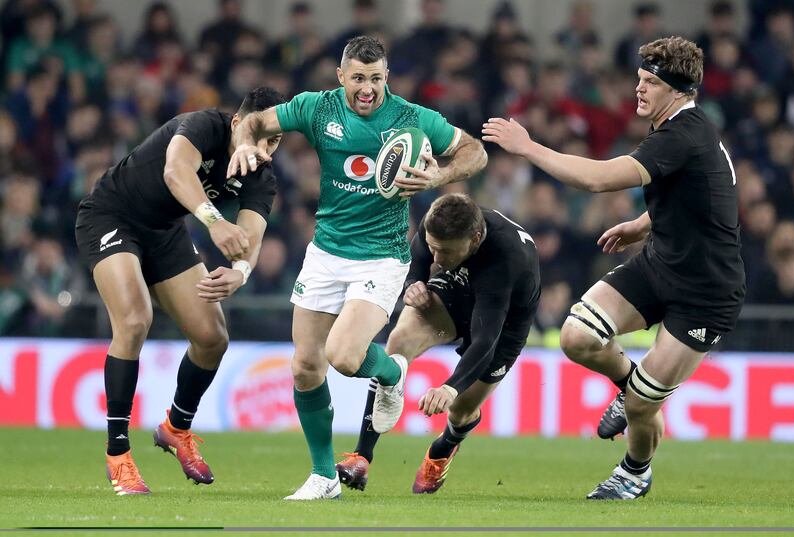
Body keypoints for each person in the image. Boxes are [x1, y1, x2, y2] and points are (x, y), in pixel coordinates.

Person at [482, 36, 745, 500]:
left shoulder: (683, 135)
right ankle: (630, 386)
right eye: (638, 79)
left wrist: (527, 147)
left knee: (646, 405)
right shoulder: (687, 133)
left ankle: (634, 473)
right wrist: (645, 224)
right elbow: (715, 189)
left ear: (678, 90)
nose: (638, 89)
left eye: (649, 82)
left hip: (707, 292)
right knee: (576, 337)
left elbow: (597, 180)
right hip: (661, 263)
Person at [228, 35, 487, 500]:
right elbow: (253, 121)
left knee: (344, 356)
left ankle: (391, 374)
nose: (367, 89)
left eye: (375, 79)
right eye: (358, 79)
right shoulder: (316, 107)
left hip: (382, 254)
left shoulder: (411, 118)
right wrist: (244, 145)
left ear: (386, 77)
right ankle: (324, 478)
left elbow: (475, 152)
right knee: (306, 366)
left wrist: (437, 176)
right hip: (326, 252)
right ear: (341, 77)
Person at [75, 86, 285, 496]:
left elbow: (253, 236)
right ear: (238, 123)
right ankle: (118, 454)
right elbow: (176, 171)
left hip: (164, 233)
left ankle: (176, 428)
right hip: (111, 216)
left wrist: (240, 271)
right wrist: (213, 222)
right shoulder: (206, 125)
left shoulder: (261, 173)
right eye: (259, 135)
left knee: (212, 338)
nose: (265, 149)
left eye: (274, 140)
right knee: (135, 320)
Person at [336, 193, 540, 494]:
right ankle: (361, 456)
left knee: (460, 409)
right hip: (458, 286)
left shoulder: (505, 259)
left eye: (444, 252)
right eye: (433, 247)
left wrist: (449, 387)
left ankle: (442, 449)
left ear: (475, 238)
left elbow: (485, 339)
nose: (436, 259)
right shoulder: (440, 223)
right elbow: (419, 257)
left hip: (505, 320)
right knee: (400, 339)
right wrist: (414, 283)